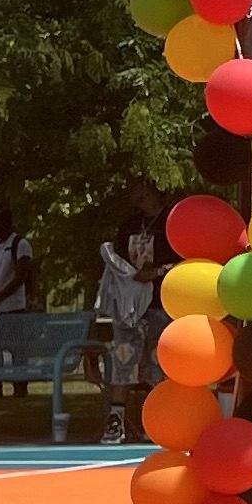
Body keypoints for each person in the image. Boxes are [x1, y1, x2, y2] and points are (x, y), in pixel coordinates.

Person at [94, 190, 167, 447]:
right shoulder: (130, 225)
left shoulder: (170, 222)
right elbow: (118, 260)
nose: (140, 194)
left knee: (158, 363)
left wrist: (157, 272)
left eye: (145, 189)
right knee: (123, 358)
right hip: (129, 308)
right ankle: (116, 419)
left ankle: (155, 420)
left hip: (161, 303)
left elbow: (182, 262)